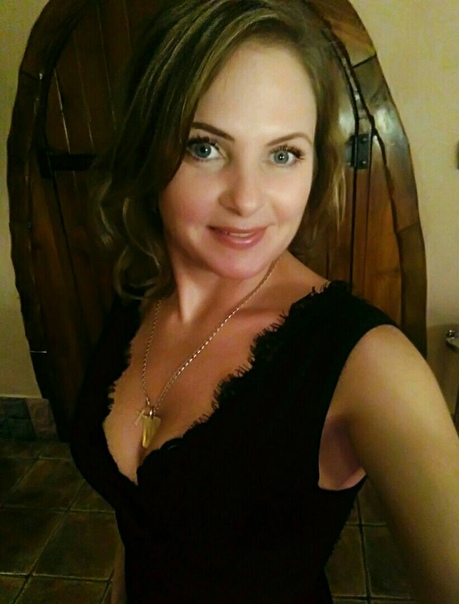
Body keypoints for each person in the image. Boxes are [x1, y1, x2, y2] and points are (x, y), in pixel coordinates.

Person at [70, 1, 459, 602]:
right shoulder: (137, 296)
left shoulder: (369, 365)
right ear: (149, 146)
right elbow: (141, 523)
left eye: (283, 154)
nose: (247, 200)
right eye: (205, 147)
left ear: (315, 165)